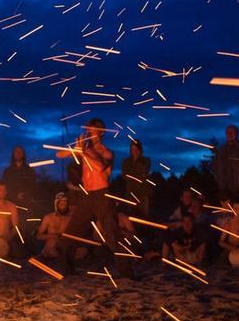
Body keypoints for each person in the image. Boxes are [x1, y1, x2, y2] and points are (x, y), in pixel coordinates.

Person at [55, 118, 131, 276]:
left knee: (112, 232)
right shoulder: (85, 149)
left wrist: (83, 152)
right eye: (88, 129)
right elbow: (59, 154)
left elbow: (100, 167)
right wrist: (76, 149)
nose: (89, 132)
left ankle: (126, 272)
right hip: (87, 196)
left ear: (101, 132)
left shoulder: (106, 152)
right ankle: (68, 269)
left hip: (103, 195)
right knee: (71, 232)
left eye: (92, 130)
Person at [213, 125, 239, 197]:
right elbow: (216, 168)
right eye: (228, 132)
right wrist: (220, 183)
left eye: (232, 132)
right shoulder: (220, 151)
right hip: (224, 189)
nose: (230, 134)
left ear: (237, 133)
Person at [121, 139, 152, 217]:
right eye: (132, 149)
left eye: (136, 149)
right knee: (131, 215)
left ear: (140, 150)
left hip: (143, 194)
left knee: (144, 217)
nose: (134, 151)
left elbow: (145, 171)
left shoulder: (146, 160)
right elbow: (125, 176)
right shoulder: (126, 162)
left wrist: (136, 161)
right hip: (131, 193)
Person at [36, 192, 73, 258]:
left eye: (65, 205)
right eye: (61, 204)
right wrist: (52, 236)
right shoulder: (48, 217)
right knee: (52, 243)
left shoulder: (70, 218)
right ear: (56, 204)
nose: (63, 207)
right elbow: (38, 236)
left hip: (65, 247)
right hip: (50, 249)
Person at [1, 146, 38, 210]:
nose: (18, 153)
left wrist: (25, 194)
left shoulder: (29, 170)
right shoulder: (8, 171)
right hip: (10, 202)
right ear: (13, 154)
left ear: (23, 154)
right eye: (16, 152)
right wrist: (14, 195)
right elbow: (4, 186)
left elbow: (33, 185)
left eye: (20, 152)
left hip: (26, 203)